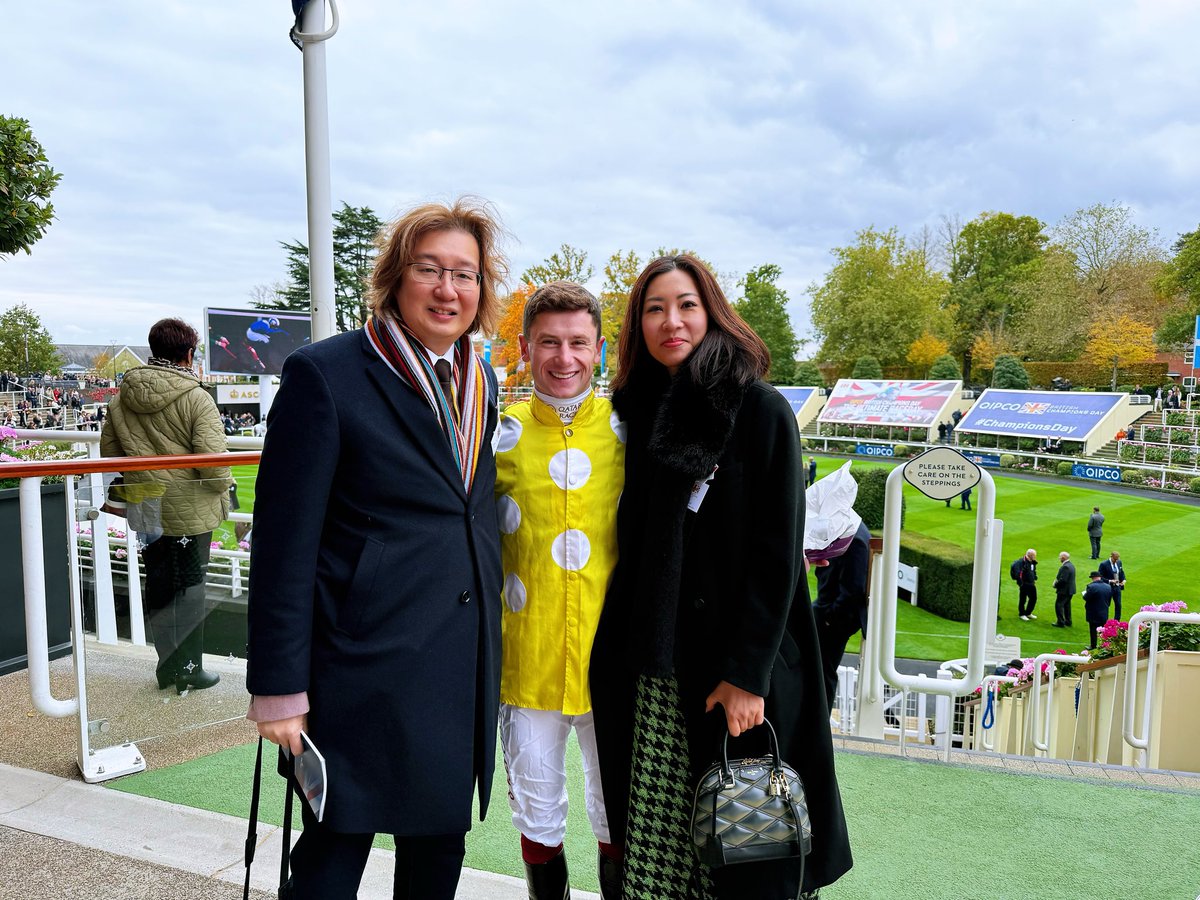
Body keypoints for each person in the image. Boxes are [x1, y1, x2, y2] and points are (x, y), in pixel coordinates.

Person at [245, 198, 508, 900]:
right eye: (430, 269)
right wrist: (277, 687)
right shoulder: (326, 374)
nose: (448, 289)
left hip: (454, 666)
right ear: (395, 276)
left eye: (466, 274)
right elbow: (281, 543)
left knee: (435, 864)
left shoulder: (481, 381)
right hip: (357, 667)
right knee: (331, 864)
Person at [589, 254, 852, 900]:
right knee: (666, 857)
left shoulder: (760, 410)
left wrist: (746, 677)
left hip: (736, 676)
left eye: (685, 305)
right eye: (653, 309)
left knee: (747, 854)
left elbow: (777, 560)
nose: (670, 321)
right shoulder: (643, 415)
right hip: (659, 674)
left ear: (711, 313)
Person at [493, 281, 625, 899]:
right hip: (528, 663)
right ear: (525, 347)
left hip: (616, 664)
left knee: (618, 816)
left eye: (578, 343)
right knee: (539, 819)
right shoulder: (497, 436)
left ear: (599, 350)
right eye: (550, 342)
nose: (564, 358)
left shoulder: (631, 433)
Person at [99, 317, 232, 693]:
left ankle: (167, 668)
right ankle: (189, 671)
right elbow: (215, 463)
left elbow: (110, 454)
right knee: (190, 588)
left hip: (146, 506)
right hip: (190, 509)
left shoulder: (122, 396)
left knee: (158, 585)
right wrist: (225, 488)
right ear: (189, 353)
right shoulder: (196, 397)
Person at [812, 521, 871, 711]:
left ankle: (818, 728)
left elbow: (853, 589)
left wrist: (830, 618)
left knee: (822, 674)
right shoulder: (850, 528)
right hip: (826, 611)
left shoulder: (855, 537)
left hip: (833, 617)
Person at [1083, 572, 1114, 650]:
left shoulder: (1091, 586)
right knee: (1103, 630)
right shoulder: (1108, 587)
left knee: (1093, 630)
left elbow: (1086, 597)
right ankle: (1104, 645)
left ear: (1093, 578)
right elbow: (1109, 600)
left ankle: (1093, 645)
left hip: (1093, 612)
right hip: (1104, 611)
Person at [1098, 550, 1126, 622]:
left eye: (1117, 559)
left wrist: (1123, 580)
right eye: (1115, 559)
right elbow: (1100, 577)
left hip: (1117, 587)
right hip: (1108, 588)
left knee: (1118, 605)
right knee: (1106, 605)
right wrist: (1110, 581)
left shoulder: (1119, 562)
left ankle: (1117, 621)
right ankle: (1104, 620)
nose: (1116, 561)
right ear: (1111, 557)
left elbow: (1121, 572)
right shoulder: (1104, 564)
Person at [1052, 551, 1076, 628]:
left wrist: (1055, 585)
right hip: (1070, 590)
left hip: (1064, 590)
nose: (1059, 558)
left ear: (1063, 558)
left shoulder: (1065, 567)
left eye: (1060, 557)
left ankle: (1060, 622)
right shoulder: (1071, 565)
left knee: (1059, 605)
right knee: (1067, 605)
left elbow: (1063, 580)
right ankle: (1068, 621)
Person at [1016, 548, 1038, 620]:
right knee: (1023, 599)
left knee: (1033, 598)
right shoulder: (1022, 562)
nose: (1035, 557)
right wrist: (1021, 583)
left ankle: (1028, 613)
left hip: (1031, 583)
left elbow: (1033, 570)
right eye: (1034, 555)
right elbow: (1019, 574)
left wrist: (1034, 577)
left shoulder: (1032, 562)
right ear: (1030, 555)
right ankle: (1022, 614)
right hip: (1024, 584)